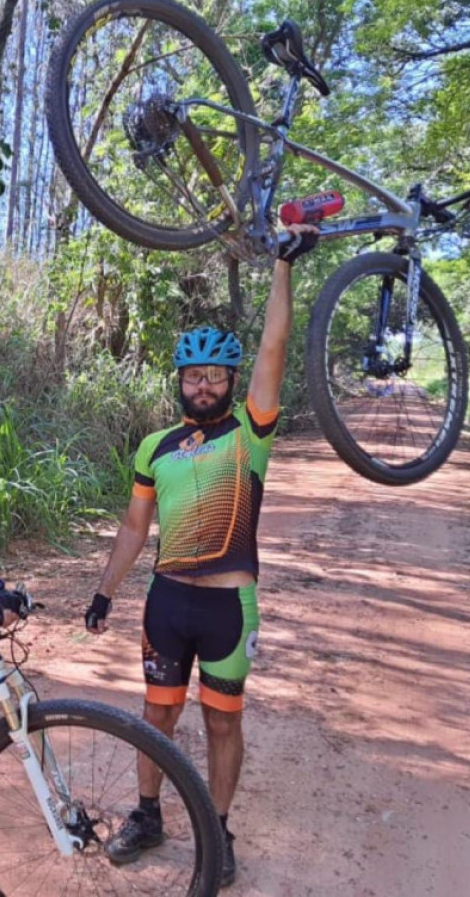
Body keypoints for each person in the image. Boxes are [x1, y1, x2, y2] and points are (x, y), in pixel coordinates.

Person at [84, 224, 319, 887]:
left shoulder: (251, 435)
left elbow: (273, 346)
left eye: (216, 375)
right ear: (181, 381)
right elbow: (134, 529)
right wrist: (105, 591)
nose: (205, 385)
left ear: (229, 382)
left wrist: (282, 267)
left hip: (228, 606)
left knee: (222, 720)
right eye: (195, 375)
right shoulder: (154, 446)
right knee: (157, 712)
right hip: (167, 602)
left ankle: (217, 831)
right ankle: (149, 813)